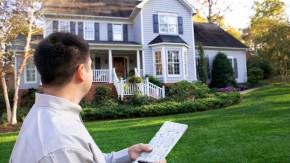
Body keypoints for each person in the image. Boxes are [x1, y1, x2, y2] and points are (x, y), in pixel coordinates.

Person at [9, 32, 166, 163]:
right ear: (81, 71)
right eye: (91, 66)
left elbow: (87, 158)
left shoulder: (47, 114)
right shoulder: (62, 144)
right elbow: (71, 151)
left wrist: (127, 155)